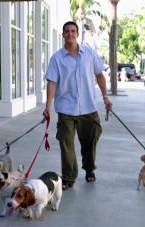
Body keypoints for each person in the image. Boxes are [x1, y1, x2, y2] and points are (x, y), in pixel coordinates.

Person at [43, 21, 112, 190]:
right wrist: (48, 106)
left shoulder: (89, 54)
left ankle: (89, 169)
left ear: (77, 33)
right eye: (66, 31)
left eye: (73, 31)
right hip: (66, 108)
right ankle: (68, 177)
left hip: (88, 107)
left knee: (91, 139)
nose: (70, 34)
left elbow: (100, 75)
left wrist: (105, 97)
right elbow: (52, 82)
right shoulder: (57, 58)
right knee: (66, 143)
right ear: (63, 35)